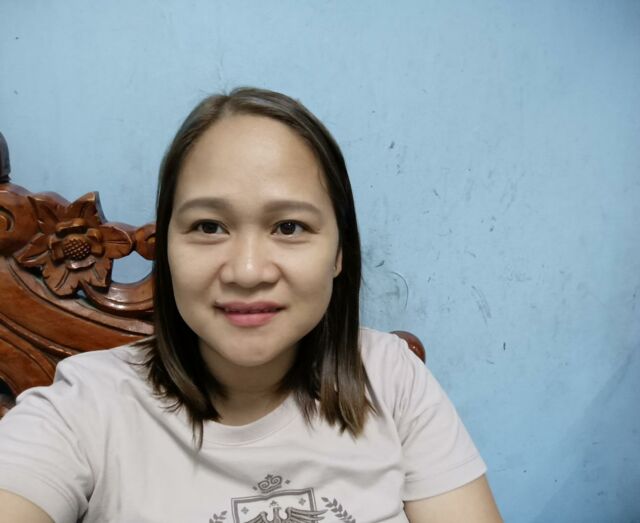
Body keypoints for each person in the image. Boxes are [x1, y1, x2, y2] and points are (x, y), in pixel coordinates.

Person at [0, 88, 502, 522]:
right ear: (168, 248)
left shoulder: (391, 380)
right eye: (208, 227)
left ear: (339, 253)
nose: (246, 271)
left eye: (289, 227)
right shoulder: (86, 407)